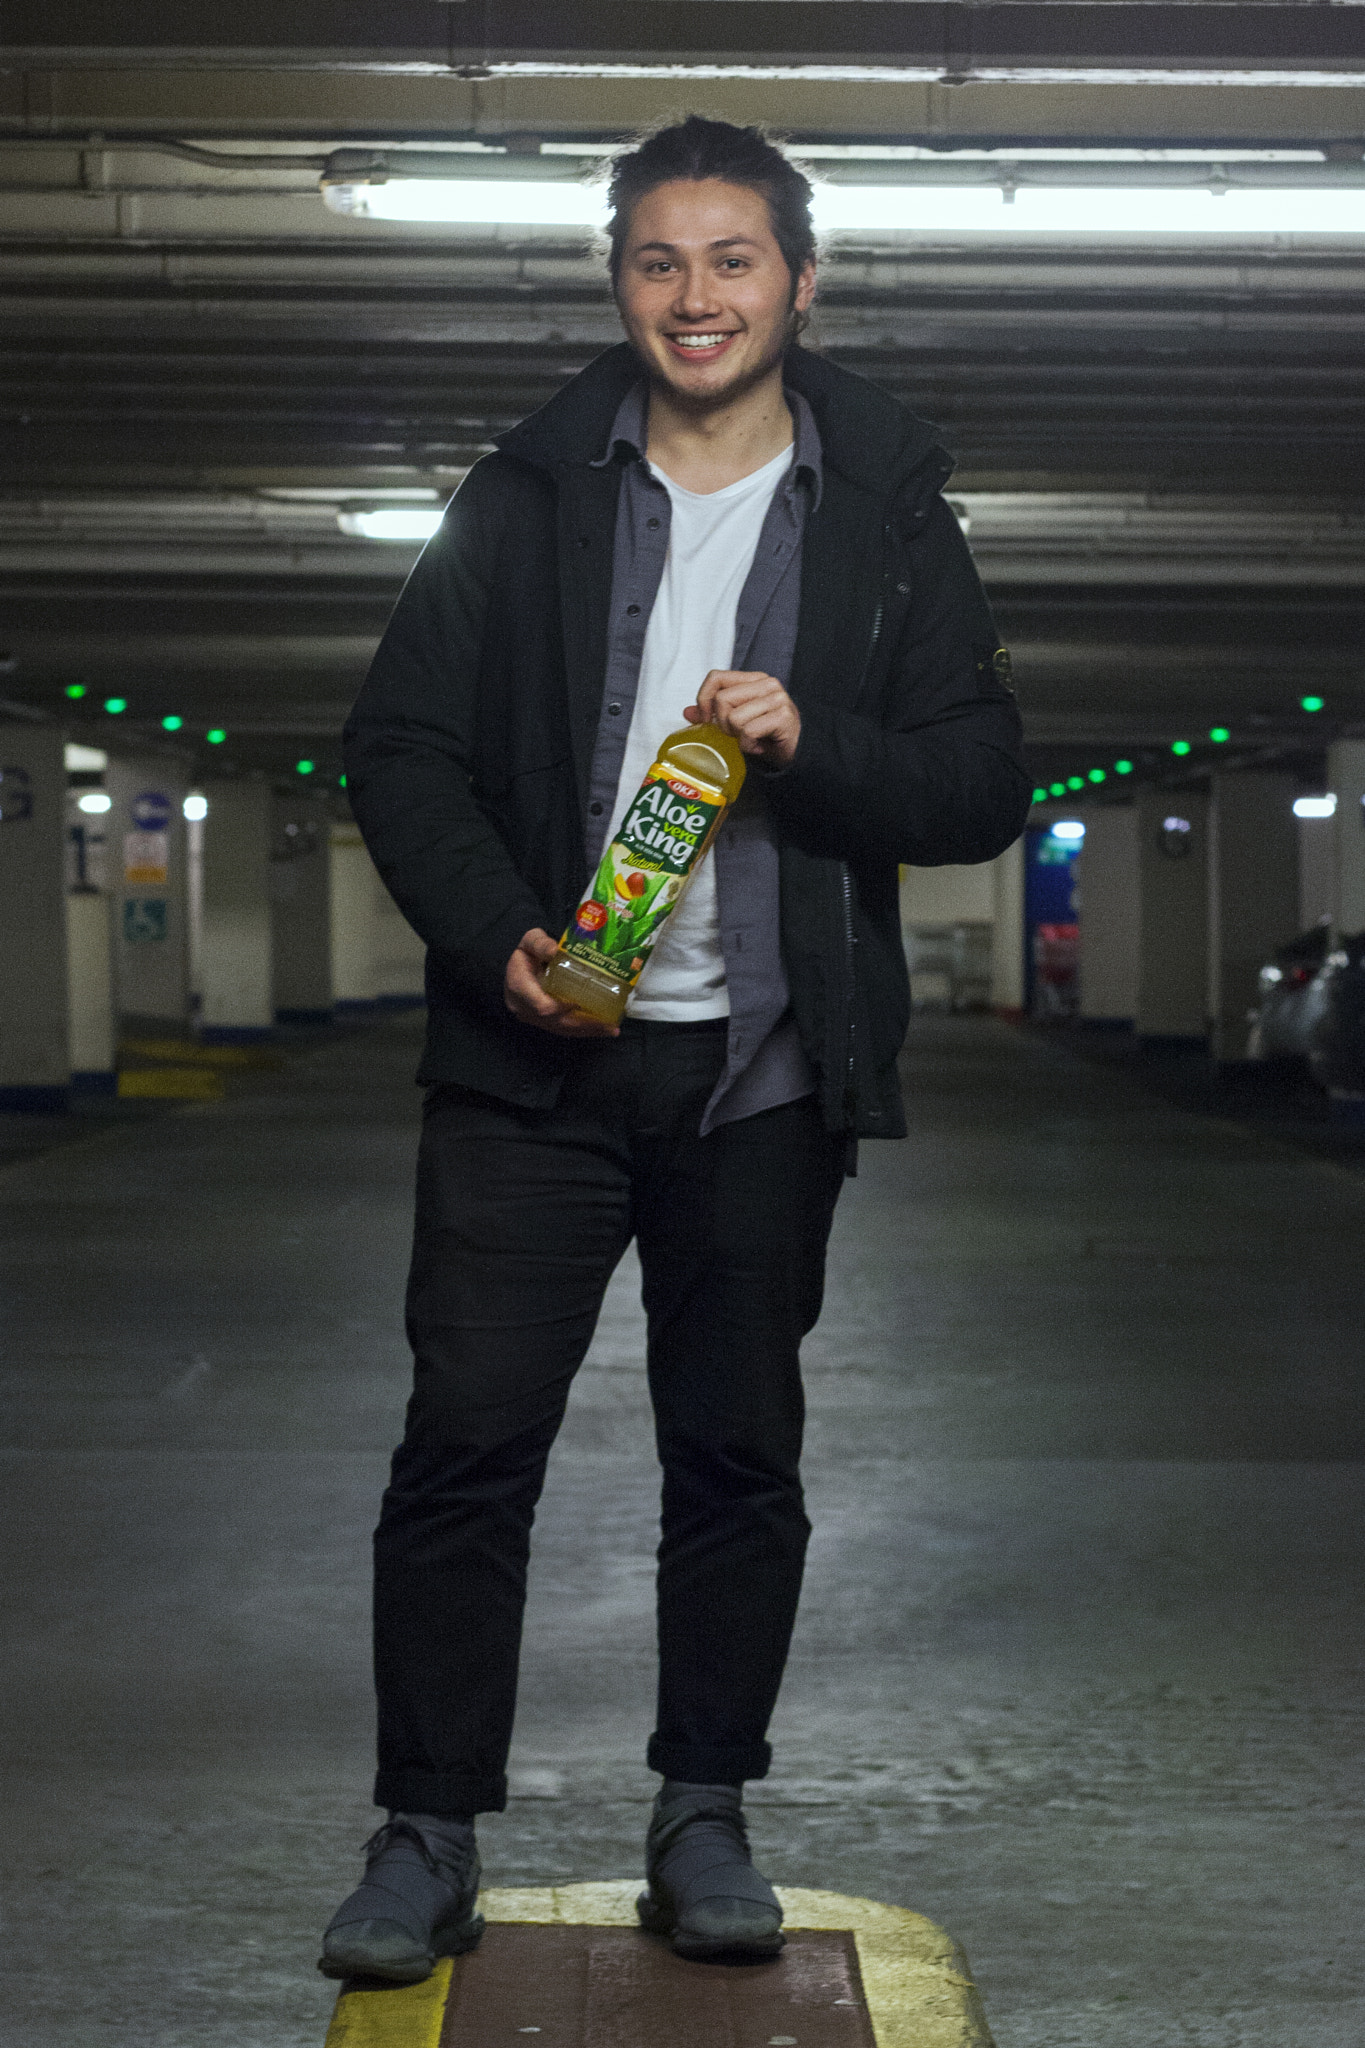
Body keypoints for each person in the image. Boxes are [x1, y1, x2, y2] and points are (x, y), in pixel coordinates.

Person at [321, 114, 1029, 1984]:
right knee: (467, 1445)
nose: (694, 296)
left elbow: (978, 778)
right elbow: (397, 747)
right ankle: (425, 1832)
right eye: (657, 260)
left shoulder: (882, 508)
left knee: (737, 1452)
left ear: (800, 279)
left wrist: (817, 742)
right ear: (616, 280)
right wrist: (503, 946)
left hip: (764, 1070)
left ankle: (701, 1813)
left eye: (731, 260)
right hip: (530, 1065)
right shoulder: (529, 489)